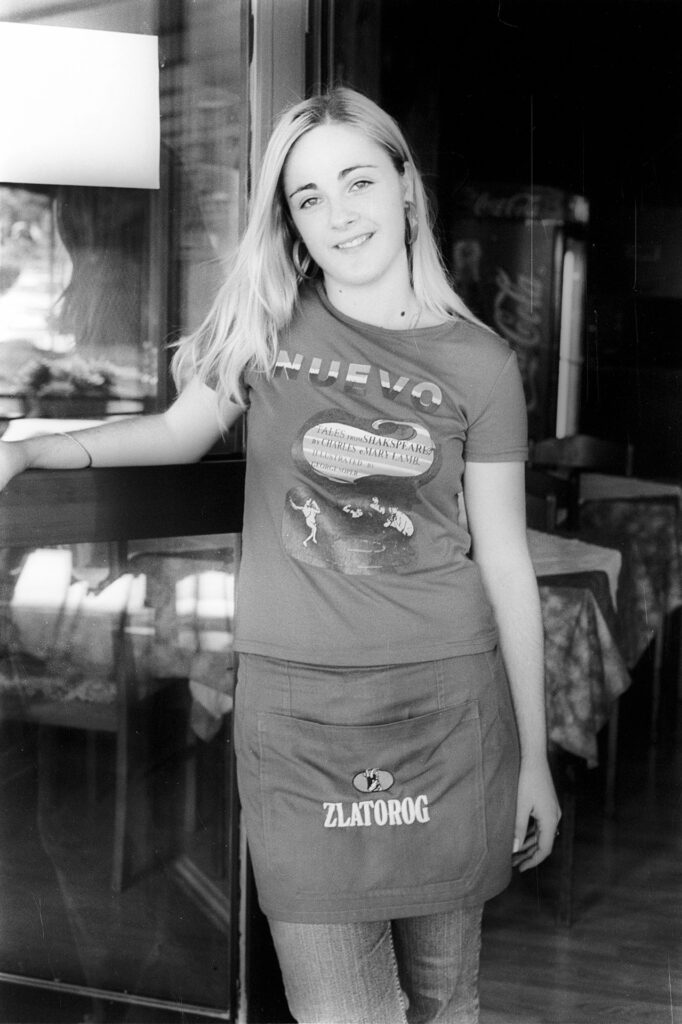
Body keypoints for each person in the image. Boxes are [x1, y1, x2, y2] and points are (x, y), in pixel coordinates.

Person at [0, 87, 560, 1024]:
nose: (339, 214)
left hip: (446, 709)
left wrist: (534, 757)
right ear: (291, 222)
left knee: (445, 1000)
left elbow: (506, 563)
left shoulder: (482, 364)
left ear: (405, 186)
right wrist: (31, 450)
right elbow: (175, 433)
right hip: (296, 718)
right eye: (309, 197)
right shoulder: (266, 328)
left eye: (357, 182)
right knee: (340, 1010)